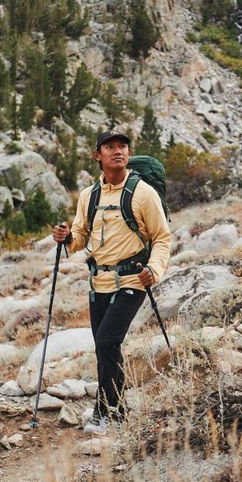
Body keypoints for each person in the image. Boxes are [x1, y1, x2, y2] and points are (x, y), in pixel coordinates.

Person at [52, 130, 171, 435]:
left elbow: (161, 237)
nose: (117, 151)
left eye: (123, 147)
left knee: (106, 341)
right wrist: (66, 238)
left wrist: (154, 271)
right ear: (98, 156)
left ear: (129, 154)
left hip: (132, 279)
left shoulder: (143, 193)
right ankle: (118, 410)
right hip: (99, 283)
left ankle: (104, 412)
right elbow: (80, 238)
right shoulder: (89, 195)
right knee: (106, 347)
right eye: (110, 147)